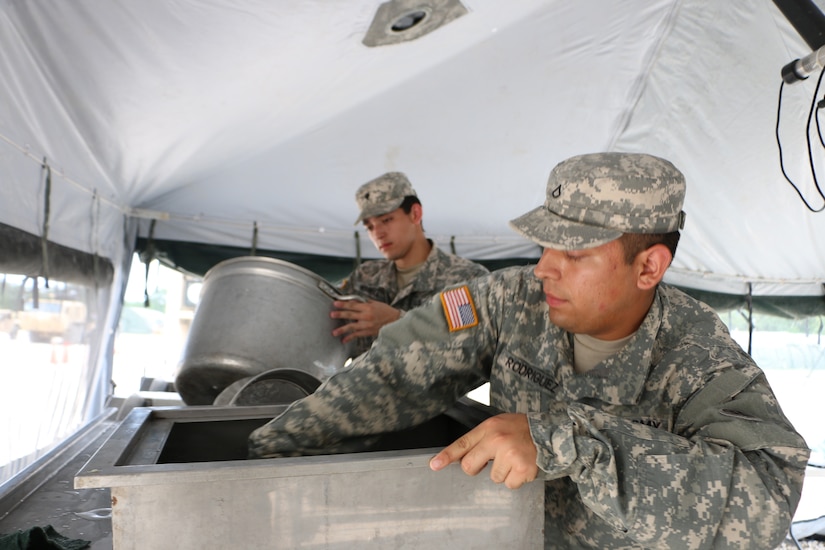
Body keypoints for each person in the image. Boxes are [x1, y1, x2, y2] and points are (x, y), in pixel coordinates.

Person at [249, 152, 809, 549]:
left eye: (574, 252)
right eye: (544, 244)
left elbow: (764, 502)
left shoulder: (700, 355)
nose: (544, 267)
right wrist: (262, 453)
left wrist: (570, 441)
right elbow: (397, 366)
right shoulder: (509, 297)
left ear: (648, 266)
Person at [330, 171, 489, 356]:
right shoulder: (365, 277)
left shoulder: (465, 278)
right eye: (370, 227)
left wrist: (399, 322)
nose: (378, 233)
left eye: (386, 220)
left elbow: (473, 347)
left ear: (415, 214)